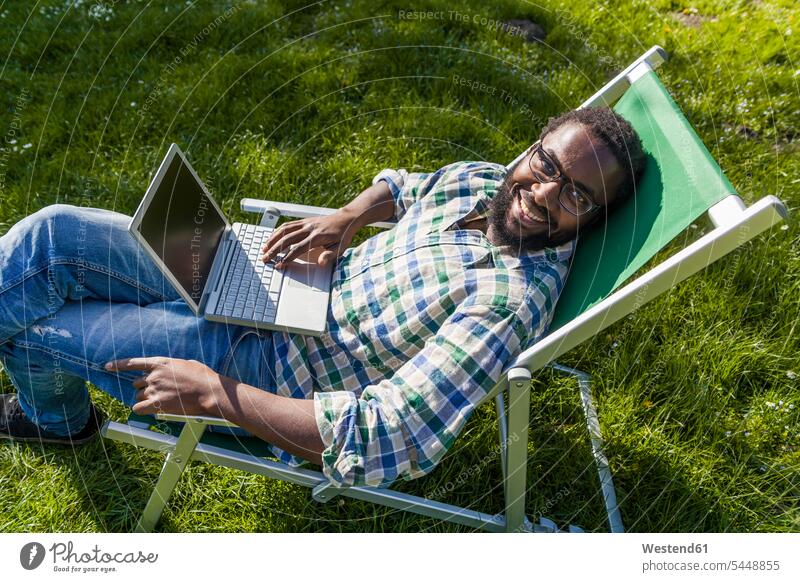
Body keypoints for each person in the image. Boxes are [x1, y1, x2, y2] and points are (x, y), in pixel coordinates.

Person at [0, 107, 645, 488]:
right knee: (52, 233)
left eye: (577, 196)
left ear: (596, 217)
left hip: (269, 373)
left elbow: (395, 439)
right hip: (287, 282)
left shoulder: (507, 303)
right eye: (547, 165)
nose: (542, 194)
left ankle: (56, 423)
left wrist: (214, 395)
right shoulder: (485, 180)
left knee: (39, 329)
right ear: (535, 146)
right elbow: (409, 186)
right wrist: (349, 215)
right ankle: (56, 401)